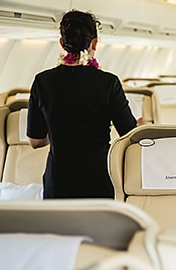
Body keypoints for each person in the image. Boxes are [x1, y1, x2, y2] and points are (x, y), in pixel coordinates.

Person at [27, 10, 145, 198]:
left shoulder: (42, 81)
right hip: (97, 181)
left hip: (58, 183)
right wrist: (143, 125)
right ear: (94, 43)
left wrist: (59, 131)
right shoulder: (108, 83)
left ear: (62, 43)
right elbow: (128, 133)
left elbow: (35, 140)